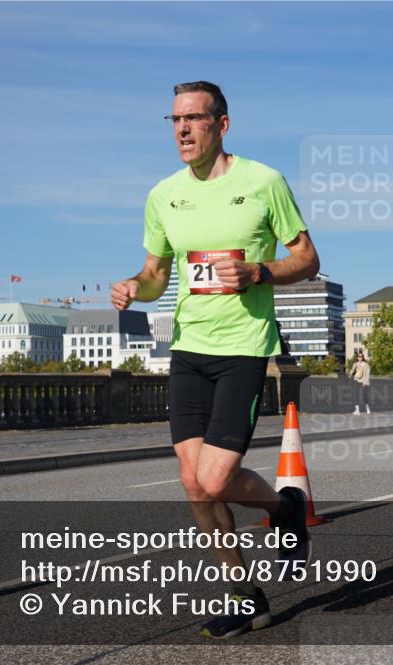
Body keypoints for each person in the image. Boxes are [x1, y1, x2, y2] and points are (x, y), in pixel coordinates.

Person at [111, 81, 321, 638]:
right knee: (193, 483)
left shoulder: (264, 183)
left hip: (243, 349)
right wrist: (135, 285)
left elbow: (306, 258)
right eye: (173, 119)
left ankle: (285, 508)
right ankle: (247, 597)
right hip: (188, 351)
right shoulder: (163, 195)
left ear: (221, 124)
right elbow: (158, 274)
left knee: (215, 476)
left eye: (193, 119)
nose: (181, 129)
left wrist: (260, 272)